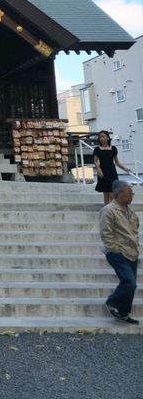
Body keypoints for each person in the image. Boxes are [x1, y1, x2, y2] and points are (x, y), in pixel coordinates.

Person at [99, 179, 139, 324]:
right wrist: (115, 249)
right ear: (119, 193)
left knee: (131, 283)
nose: (132, 195)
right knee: (129, 282)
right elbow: (106, 233)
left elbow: (135, 230)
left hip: (132, 252)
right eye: (129, 192)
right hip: (117, 252)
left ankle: (123, 312)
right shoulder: (109, 210)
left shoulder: (130, 211)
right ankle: (112, 302)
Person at [93, 130, 131, 205]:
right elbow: (95, 161)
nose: (101, 138)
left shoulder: (113, 149)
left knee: (113, 192)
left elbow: (117, 162)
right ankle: (107, 210)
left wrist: (125, 169)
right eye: (100, 137)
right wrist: (99, 169)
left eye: (103, 137)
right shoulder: (97, 149)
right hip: (102, 171)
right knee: (106, 193)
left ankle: (114, 209)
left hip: (112, 171)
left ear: (107, 138)